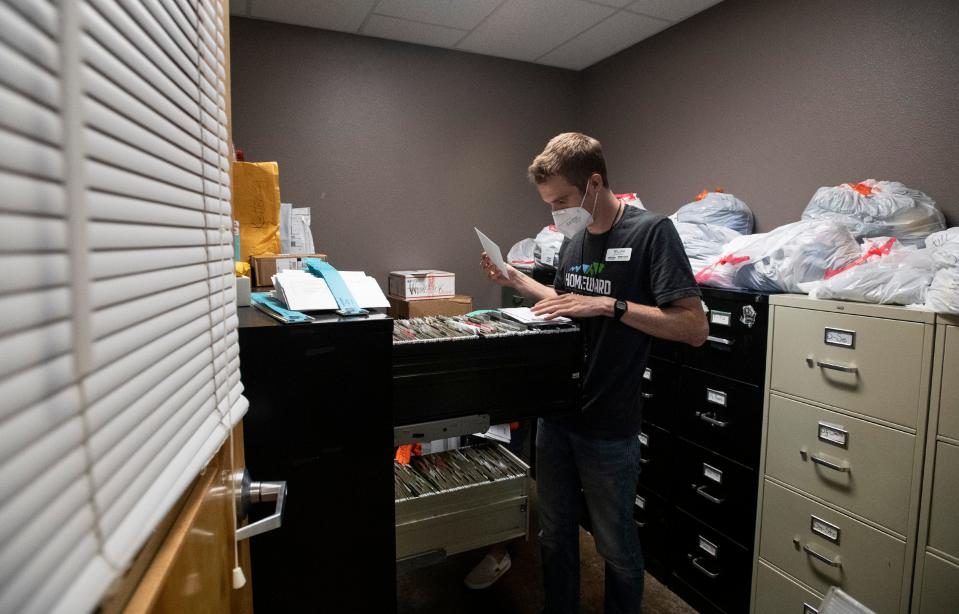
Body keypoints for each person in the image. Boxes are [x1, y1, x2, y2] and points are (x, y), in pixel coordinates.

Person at [480, 133, 708, 614]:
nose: (556, 212)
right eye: (549, 204)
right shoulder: (574, 239)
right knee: (555, 533)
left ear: (595, 182)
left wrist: (611, 304)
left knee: (616, 548)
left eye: (562, 200)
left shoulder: (652, 233)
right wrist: (515, 279)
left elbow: (694, 327)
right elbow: (565, 304)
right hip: (558, 418)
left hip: (609, 424)